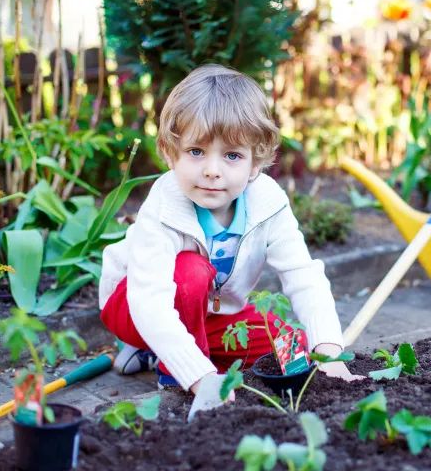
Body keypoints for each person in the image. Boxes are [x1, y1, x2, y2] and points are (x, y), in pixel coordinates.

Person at [98, 64, 363, 422]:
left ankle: (176, 351)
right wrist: (203, 379)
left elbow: (304, 277)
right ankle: (172, 366)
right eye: (195, 151)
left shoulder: (267, 203)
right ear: (169, 151)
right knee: (190, 271)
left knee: (292, 350)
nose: (212, 170)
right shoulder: (164, 207)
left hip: (211, 313)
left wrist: (329, 353)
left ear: (255, 164)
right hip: (133, 305)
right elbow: (150, 302)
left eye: (232, 155)